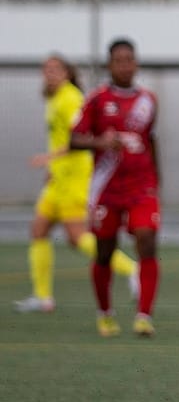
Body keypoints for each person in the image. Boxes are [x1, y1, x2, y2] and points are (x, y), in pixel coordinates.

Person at [14, 55, 139, 313]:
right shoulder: (55, 98)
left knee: (77, 237)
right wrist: (52, 167)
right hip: (58, 179)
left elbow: (80, 137)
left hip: (75, 178)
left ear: (67, 73)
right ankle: (43, 297)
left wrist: (48, 158)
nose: (50, 73)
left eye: (55, 68)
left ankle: (131, 269)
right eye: (46, 69)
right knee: (38, 229)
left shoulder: (71, 98)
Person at [69, 39, 161, 337]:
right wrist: (100, 142)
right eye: (119, 60)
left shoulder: (148, 101)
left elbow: (151, 140)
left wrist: (157, 179)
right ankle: (105, 313)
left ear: (136, 63)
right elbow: (73, 139)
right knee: (105, 252)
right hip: (107, 188)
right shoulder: (96, 100)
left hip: (141, 186)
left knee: (147, 241)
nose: (125, 65)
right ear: (110, 65)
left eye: (129, 59)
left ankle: (144, 316)